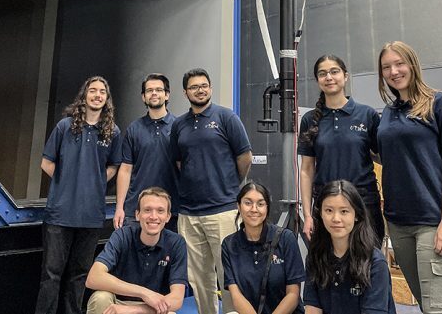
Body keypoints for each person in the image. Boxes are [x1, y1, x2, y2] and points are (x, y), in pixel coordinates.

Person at [377, 41, 442, 314]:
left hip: (434, 222)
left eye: (399, 63)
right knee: (427, 307)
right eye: (386, 67)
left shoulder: (440, 103)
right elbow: (386, 156)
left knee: (438, 310)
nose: (394, 71)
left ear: (412, 64)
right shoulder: (389, 114)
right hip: (399, 224)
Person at [35, 76, 122, 314]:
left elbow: (115, 166)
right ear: (84, 96)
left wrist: (92, 182)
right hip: (59, 215)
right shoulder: (65, 126)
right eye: (92, 90)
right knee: (51, 275)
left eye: (102, 92)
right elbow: (46, 162)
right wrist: (67, 182)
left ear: (107, 98)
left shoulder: (112, 132)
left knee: (79, 275)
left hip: (91, 217)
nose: (97, 95)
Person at [169, 68, 253, 314]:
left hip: (223, 210)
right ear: (186, 93)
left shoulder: (226, 117)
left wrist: (230, 184)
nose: (200, 90)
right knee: (198, 277)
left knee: (230, 273)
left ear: (210, 88)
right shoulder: (179, 126)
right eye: (194, 87)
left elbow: (244, 157)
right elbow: (179, 161)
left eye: (204, 85)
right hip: (189, 213)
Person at [298, 55, 384, 244]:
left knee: (368, 264)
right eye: (323, 74)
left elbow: (382, 157)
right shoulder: (310, 120)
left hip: (363, 202)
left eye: (334, 71)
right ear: (318, 81)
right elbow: (306, 169)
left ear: (346, 76)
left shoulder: (367, 115)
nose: (329, 77)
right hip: (325, 205)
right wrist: (308, 214)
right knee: (327, 266)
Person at [85, 187, 188, 314]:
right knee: (101, 298)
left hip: (151, 308)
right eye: (147, 210)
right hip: (118, 305)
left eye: (160, 211)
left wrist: (133, 310)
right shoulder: (122, 236)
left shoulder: (176, 243)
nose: (153, 216)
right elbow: (94, 278)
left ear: (168, 217)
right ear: (137, 215)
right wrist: (144, 293)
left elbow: (176, 300)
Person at [304, 180, 396, 314]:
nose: (336, 218)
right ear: (320, 214)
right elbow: (313, 309)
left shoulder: (375, 263)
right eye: (329, 210)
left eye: (344, 211)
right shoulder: (315, 257)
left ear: (356, 215)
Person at [221, 182, 305, 314]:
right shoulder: (229, 244)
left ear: (267, 208)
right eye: (248, 203)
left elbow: (293, 295)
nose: (254, 209)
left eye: (260, 204)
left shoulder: (286, 238)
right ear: (238, 206)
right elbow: (236, 295)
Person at [114, 73, 179, 232]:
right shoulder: (134, 129)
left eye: (158, 89)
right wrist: (119, 207)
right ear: (144, 97)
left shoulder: (179, 127)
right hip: (137, 210)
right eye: (149, 90)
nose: (154, 93)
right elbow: (125, 169)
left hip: (173, 210)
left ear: (167, 94)